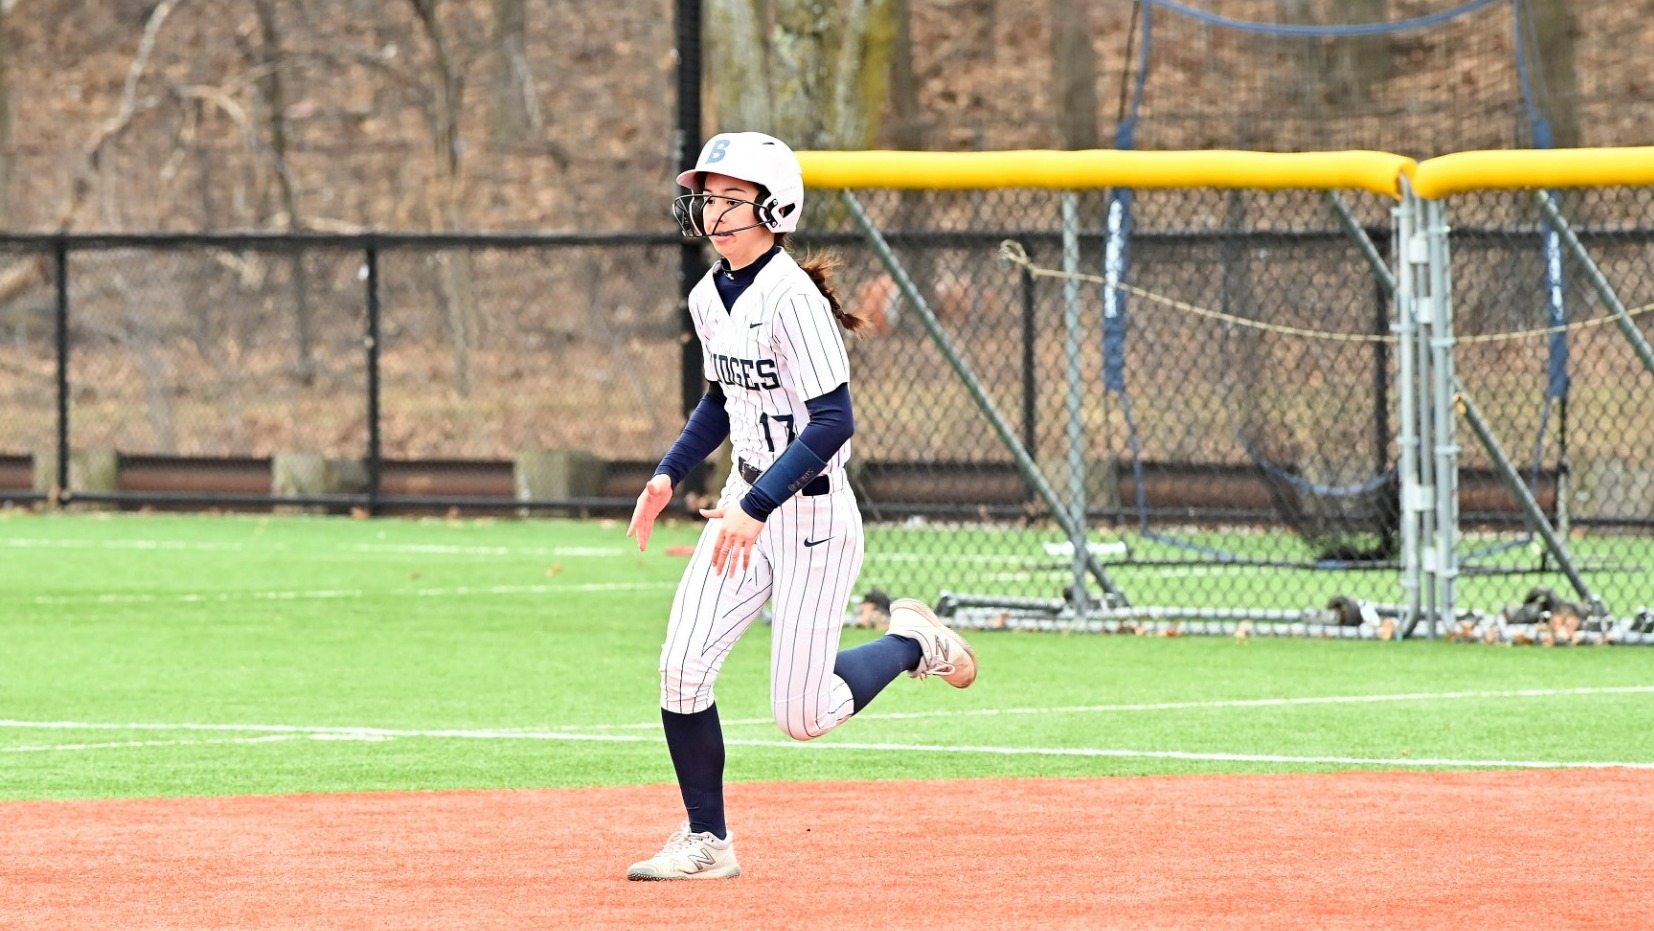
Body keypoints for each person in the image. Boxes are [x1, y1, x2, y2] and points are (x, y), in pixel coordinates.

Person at [622, 131, 978, 881]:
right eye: (706, 195)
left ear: (772, 207)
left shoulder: (793, 301)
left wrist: (756, 503)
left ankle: (913, 642)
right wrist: (668, 474)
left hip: (809, 515)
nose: (709, 208)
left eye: (726, 197)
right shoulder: (706, 293)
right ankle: (708, 840)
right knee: (681, 669)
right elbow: (723, 399)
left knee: (806, 716)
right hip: (743, 505)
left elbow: (833, 422)